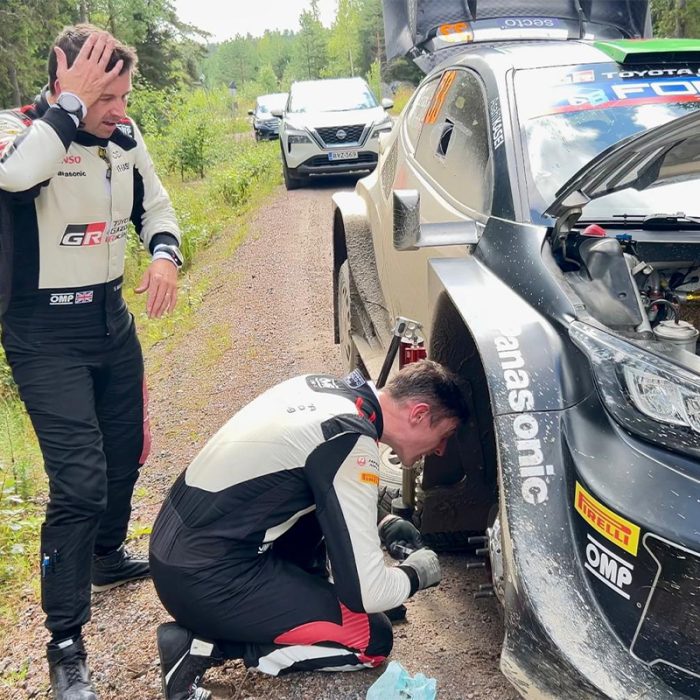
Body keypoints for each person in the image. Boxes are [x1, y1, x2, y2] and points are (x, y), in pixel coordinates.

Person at [0, 24, 183, 700]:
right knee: (79, 483)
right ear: (64, 80)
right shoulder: (19, 130)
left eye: (124, 95)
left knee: (126, 451)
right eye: (107, 96)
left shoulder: (124, 138)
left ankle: (106, 554)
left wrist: (164, 253)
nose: (120, 110)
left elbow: (157, 206)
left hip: (109, 319)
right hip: (42, 331)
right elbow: (15, 175)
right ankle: (65, 643)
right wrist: (70, 104)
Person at [150, 360, 468, 700]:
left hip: (178, 552)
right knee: (372, 639)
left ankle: (293, 602)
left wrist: (383, 523)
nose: (440, 450)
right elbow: (368, 593)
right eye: (444, 435)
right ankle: (204, 647)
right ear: (419, 414)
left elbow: (325, 485)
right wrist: (416, 573)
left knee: (318, 516)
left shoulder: (327, 392)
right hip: (205, 582)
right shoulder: (349, 438)